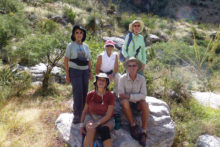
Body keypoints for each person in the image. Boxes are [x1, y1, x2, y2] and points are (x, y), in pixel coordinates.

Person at [64, 25, 92, 124]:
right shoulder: (70, 45)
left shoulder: (86, 46)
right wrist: (67, 74)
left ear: (83, 34)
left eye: (81, 33)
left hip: (85, 71)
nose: (79, 34)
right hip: (74, 71)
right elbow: (66, 60)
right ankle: (77, 115)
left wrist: (90, 73)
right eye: (77, 32)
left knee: (85, 92)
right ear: (73, 34)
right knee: (77, 92)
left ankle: (84, 113)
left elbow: (88, 60)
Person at [118, 57, 149, 147]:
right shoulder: (122, 79)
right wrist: (135, 97)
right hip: (128, 104)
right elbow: (121, 95)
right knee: (124, 102)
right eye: (129, 66)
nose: (132, 68)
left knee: (145, 104)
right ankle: (133, 125)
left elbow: (144, 95)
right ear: (127, 67)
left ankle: (143, 132)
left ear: (137, 67)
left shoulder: (142, 79)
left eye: (134, 65)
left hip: (137, 103)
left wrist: (129, 96)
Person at [80, 73, 115, 147]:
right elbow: (85, 111)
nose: (101, 82)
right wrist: (81, 125)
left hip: (106, 119)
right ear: (96, 81)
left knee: (105, 130)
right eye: (99, 79)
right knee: (91, 128)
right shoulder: (90, 94)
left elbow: (108, 115)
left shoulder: (110, 96)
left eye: (103, 80)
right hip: (92, 117)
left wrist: (98, 123)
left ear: (106, 83)